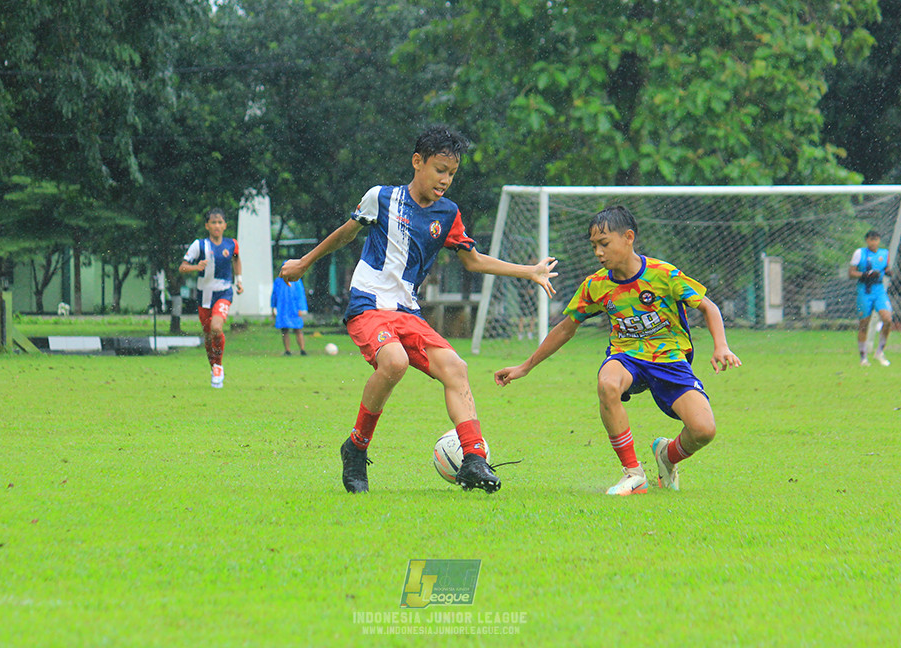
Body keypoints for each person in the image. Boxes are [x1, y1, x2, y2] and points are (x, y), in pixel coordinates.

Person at [279, 124, 558, 494]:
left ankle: (474, 459)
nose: (445, 180)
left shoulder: (448, 213)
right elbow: (347, 232)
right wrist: (305, 262)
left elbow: (472, 262)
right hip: (368, 304)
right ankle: (357, 448)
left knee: (456, 368)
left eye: (452, 174)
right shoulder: (381, 197)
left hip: (407, 311)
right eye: (440, 170)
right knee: (394, 362)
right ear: (417, 162)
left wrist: (529, 271)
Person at [494, 206, 741, 495]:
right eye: (594, 246)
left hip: (669, 360)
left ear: (628, 237)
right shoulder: (596, 285)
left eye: (604, 244)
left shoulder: (663, 275)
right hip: (626, 358)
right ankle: (633, 473)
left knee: (704, 431)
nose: (598, 252)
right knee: (607, 382)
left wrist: (721, 345)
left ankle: (667, 455)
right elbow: (565, 328)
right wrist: (525, 366)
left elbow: (707, 306)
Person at [179, 208, 243, 388]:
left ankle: (219, 366)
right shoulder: (199, 245)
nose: (217, 226)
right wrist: (196, 267)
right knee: (208, 336)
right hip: (204, 295)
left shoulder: (231, 244)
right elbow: (182, 267)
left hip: (223, 292)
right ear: (207, 226)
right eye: (213, 223)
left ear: (225, 225)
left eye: (220, 222)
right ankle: (213, 367)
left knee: (216, 327)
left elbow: (236, 259)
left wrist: (239, 280)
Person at [849, 230, 893, 366]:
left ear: (879, 240)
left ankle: (880, 352)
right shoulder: (859, 253)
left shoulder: (884, 254)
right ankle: (863, 358)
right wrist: (865, 274)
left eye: (876, 239)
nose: (874, 242)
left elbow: (886, 269)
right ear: (867, 241)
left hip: (879, 290)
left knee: (888, 319)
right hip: (864, 290)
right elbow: (851, 273)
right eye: (871, 240)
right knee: (864, 324)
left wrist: (888, 272)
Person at [272, 275, 308, 356]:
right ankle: (287, 350)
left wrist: (301, 308)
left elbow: (300, 295)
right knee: (284, 330)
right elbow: (274, 295)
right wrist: (273, 308)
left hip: (294, 308)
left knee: (298, 329)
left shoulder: (296, 280)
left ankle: (302, 350)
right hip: (283, 308)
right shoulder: (278, 281)